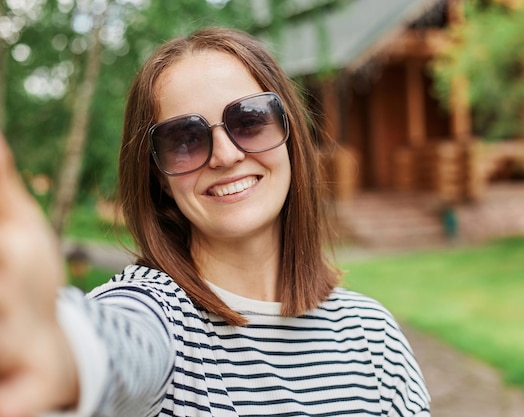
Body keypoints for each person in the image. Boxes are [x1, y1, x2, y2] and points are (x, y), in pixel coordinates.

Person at [0, 27, 430, 416]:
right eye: (184, 140)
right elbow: (109, 348)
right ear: (160, 179)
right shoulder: (160, 321)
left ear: (291, 135)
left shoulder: (371, 335)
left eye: (250, 120)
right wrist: (51, 340)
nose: (225, 155)